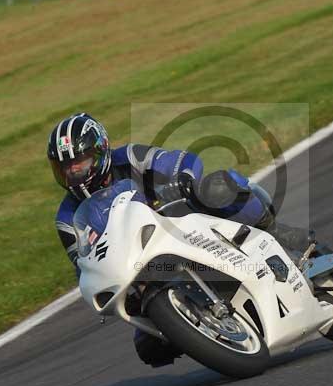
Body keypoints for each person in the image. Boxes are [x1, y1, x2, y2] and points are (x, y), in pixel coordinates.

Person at [47, 113, 314, 367]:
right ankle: (201, 326)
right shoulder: (67, 217)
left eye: (79, 162)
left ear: (100, 151)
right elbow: (82, 262)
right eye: (65, 168)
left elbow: (180, 161)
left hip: (182, 221)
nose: (73, 172)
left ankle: (276, 233)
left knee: (219, 187)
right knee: (149, 348)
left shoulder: (128, 158)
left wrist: (182, 180)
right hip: (142, 266)